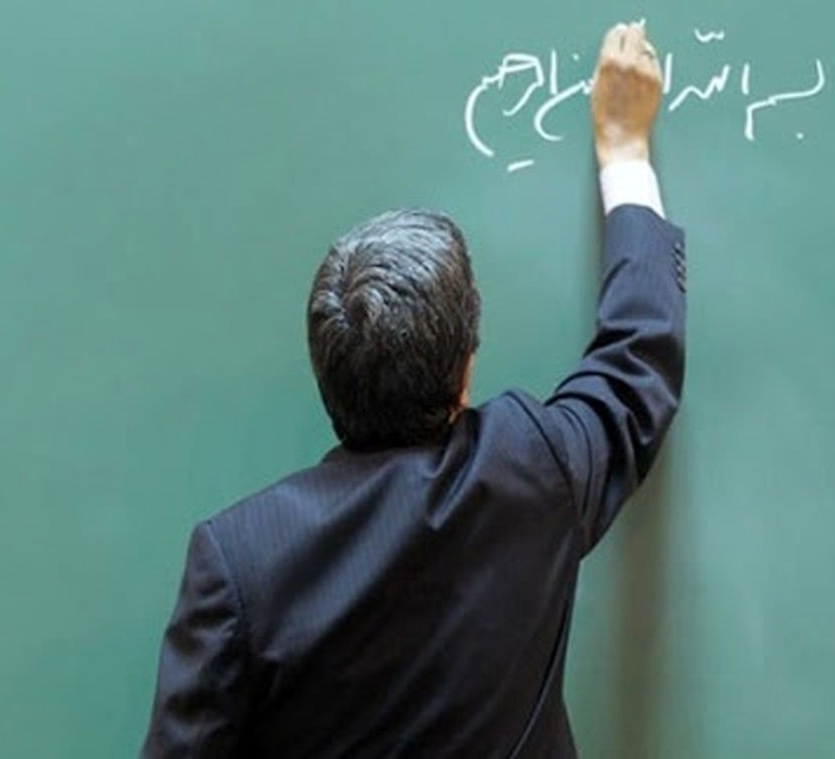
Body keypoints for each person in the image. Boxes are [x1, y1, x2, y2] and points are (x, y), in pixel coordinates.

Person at [143, 20, 685, 758]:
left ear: (325, 368)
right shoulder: (533, 470)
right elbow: (638, 360)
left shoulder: (241, 562)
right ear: (466, 367)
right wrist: (623, 152)